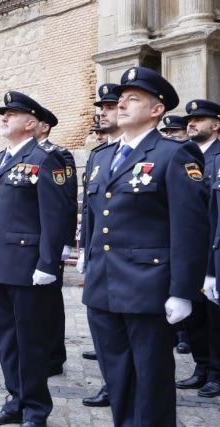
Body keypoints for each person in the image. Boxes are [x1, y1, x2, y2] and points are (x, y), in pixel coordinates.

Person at [82, 67, 208, 426]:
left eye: (132, 98)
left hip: (148, 287)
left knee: (151, 380)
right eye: (120, 99)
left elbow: (189, 227)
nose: (121, 104)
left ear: (157, 110)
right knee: (117, 377)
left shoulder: (174, 154)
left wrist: (183, 291)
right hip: (103, 287)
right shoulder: (102, 157)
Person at [0, 91, 69, 426]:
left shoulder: (46, 158)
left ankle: (35, 408)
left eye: (12, 113)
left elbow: (55, 217)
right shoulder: (2, 159)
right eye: (3, 113)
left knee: (30, 342)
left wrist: (48, 264)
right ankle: (15, 398)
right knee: (7, 339)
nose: (4, 117)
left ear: (31, 124)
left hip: (28, 267)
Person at [78, 83, 123, 409]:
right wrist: (84, 249)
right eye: (101, 107)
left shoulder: (171, 153)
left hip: (139, 267)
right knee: (106, 334)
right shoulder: (99, 155)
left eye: (109, 107)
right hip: (101, 260)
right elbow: (91, 212)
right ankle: (113, 384)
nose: (102, 113)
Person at [177, 99, 220, 398]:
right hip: (189, 250)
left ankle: (217, 372)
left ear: (216, 125)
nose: (191, 123)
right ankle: (201, 366)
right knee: (195, 315)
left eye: (200, 119)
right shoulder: (184, 156)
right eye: (190, 119)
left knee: (216, 316)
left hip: (213, 250)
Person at [36, 106, 77, 378]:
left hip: (49, 241)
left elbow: (67, 200)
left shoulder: (58, 155)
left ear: (44, 127)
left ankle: (54, 355)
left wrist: (65, 240)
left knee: (49, 301)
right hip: (27, 243)